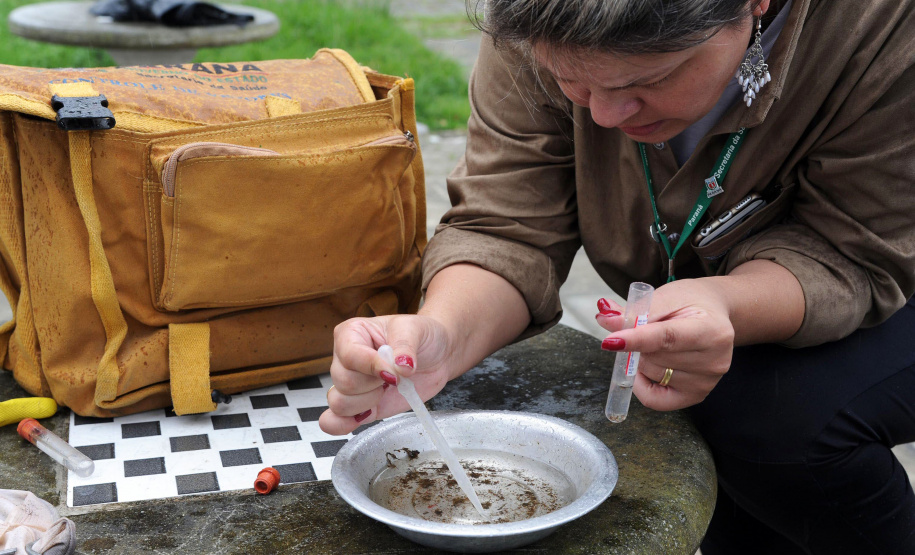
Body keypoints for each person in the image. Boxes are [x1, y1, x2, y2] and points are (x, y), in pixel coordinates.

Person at [320, 0, 915, 552]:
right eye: (570, 79)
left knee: (778, 422)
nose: (601, 114)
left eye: (646, 81)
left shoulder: (881, 26)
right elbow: (508, 222)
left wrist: (727, 300)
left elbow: (853, 246)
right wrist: (443, 334)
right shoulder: (539, 18)